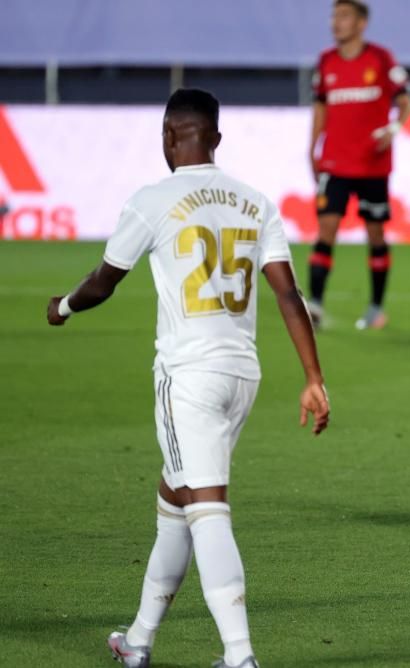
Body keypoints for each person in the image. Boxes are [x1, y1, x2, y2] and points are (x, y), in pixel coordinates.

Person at [46, 88, 330, 667]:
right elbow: (288, 295)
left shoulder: (154, 200)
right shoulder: (256, 202)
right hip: (242, 377)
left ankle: (240, 655)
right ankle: (139, 641)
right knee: (176, 501)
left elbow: (104, 281)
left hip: (188, 377)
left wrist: (64, 307)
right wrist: (313, 376)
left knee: (206, 507)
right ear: (216, 138)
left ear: (169, 137)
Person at [307, 0, 410, 330]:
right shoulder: (326, 62)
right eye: (334, 16)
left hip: (372, 166)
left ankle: (376, 308)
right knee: (326, 228)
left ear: (361, 23)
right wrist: (313, 148)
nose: (335, 22)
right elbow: (321, 109)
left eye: (343, 16)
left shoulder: (381, 59)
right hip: (335, 163)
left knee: (375, 234)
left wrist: (393, 129)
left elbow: (406, 100)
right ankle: (315, 306)